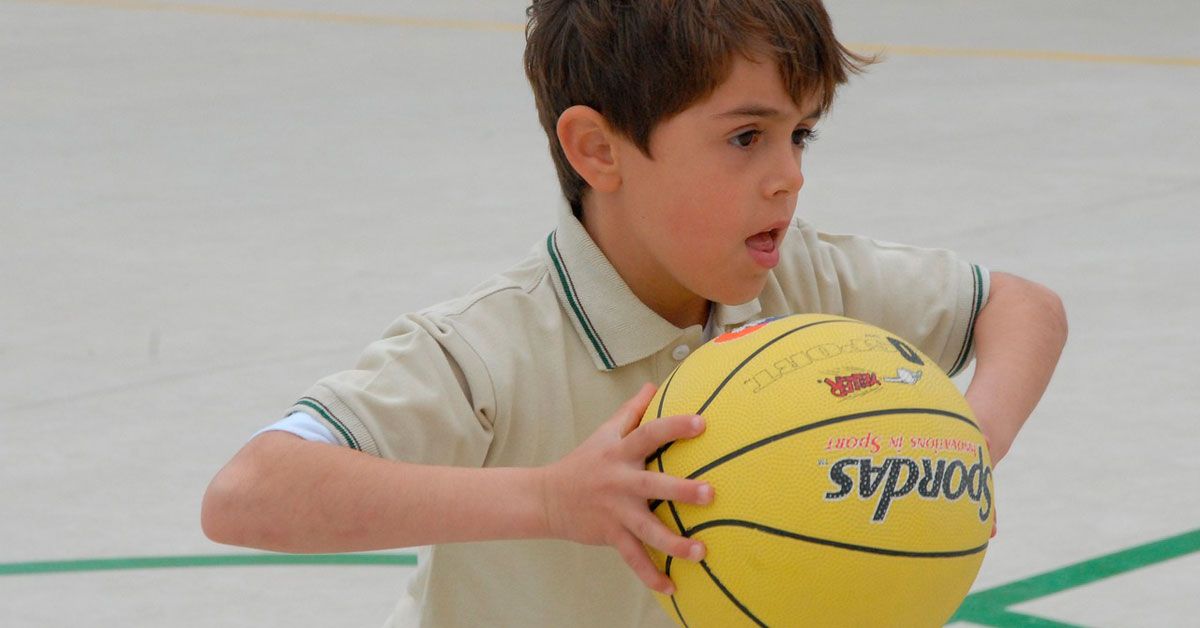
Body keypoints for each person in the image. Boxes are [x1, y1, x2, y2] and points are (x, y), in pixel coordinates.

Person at [201, 1, 1068, 626]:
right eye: (745, 137)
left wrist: (970, 441)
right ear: (598, 149)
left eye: (799, 135)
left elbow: (1022, 308)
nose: (788, 175)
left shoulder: (807, 288)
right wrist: (548, 499)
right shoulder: (490, 345)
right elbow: (248, 495)